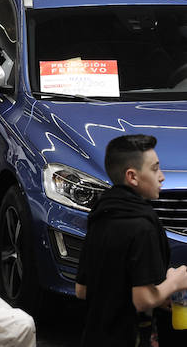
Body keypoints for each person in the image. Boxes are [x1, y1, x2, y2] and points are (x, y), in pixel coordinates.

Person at [76, 135, 187, 346]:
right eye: (155, 169)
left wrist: (156, 292)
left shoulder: (100, 214)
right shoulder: (142, 227)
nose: (161, 176)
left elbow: (82, 290)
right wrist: (174, 283)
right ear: (132, 177)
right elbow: (143, 299)